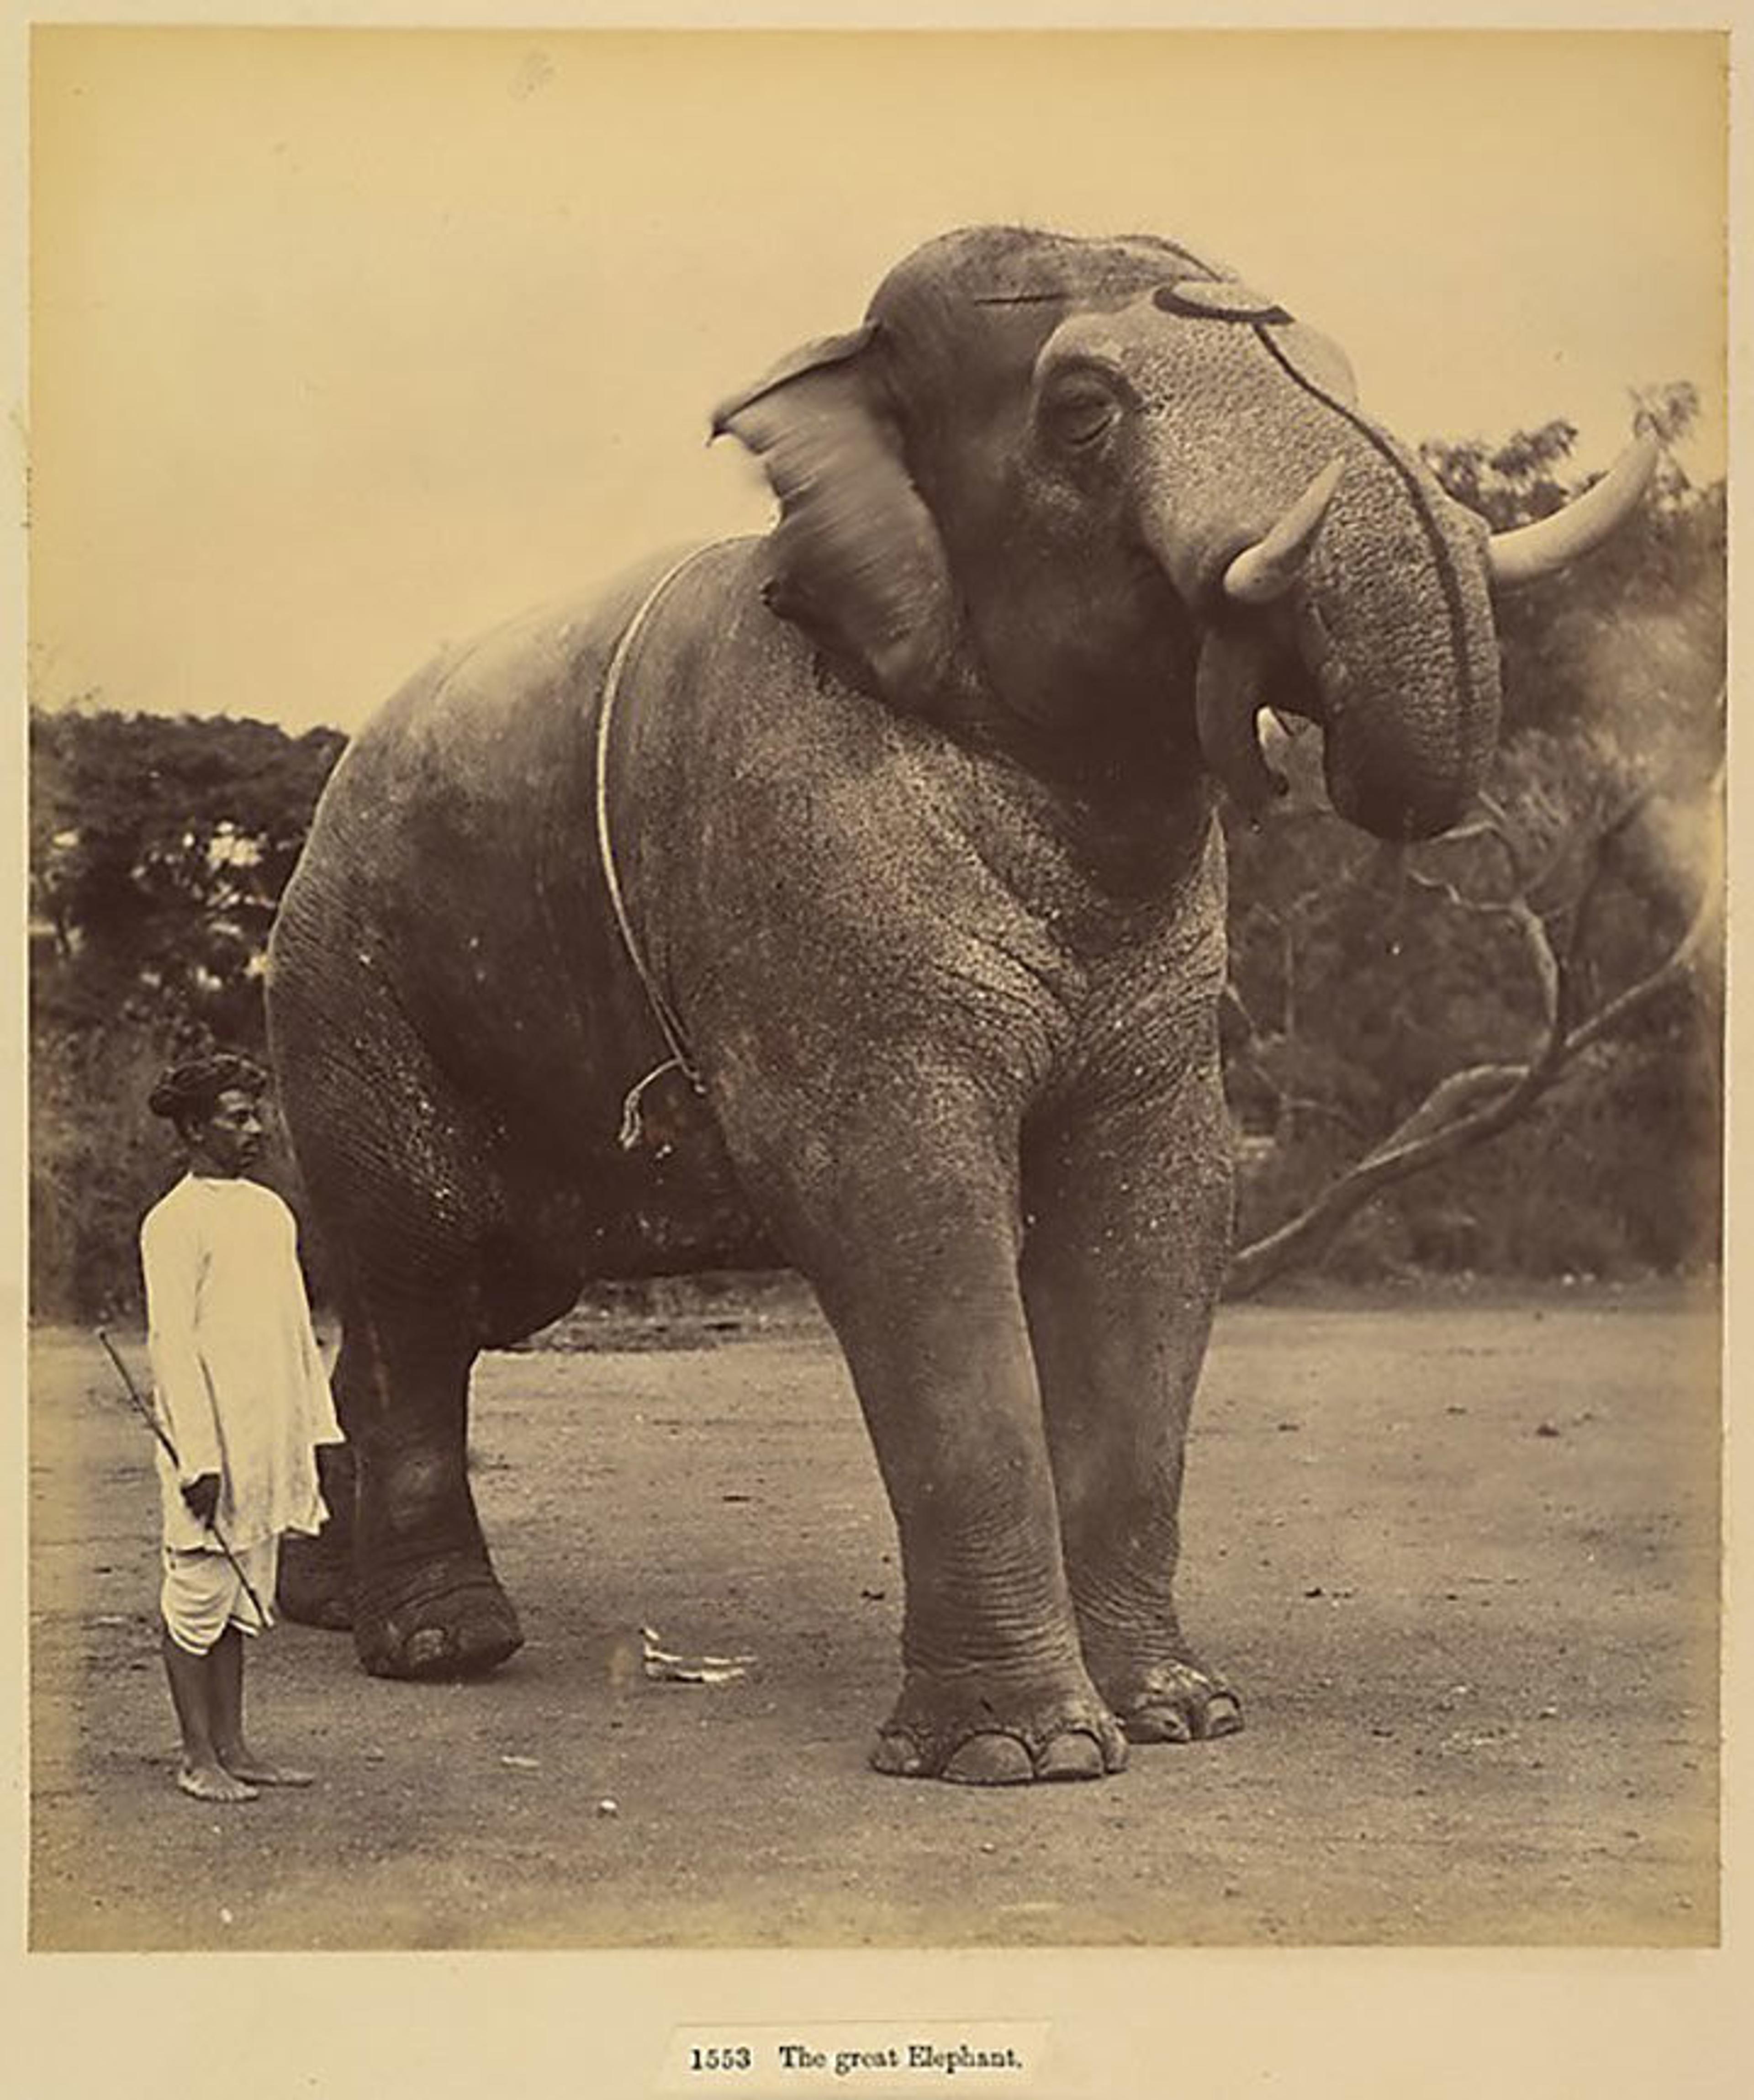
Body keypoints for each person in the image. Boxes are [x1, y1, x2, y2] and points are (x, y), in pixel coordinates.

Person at [140, 1051, 343, 1802]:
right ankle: (197, 1756)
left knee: (241, 1597)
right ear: (195, 1128)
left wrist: (314, 1434)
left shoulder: (269, 1212)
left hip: (267, 1440)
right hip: (210, 1444)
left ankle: (235, 1746)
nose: (256, 1129)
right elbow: (172, 1344)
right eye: (237, 1117)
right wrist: (198, 1456)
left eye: (256, 1115)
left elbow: (296, 1330)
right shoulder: (172, 1224)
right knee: (197, 1593)